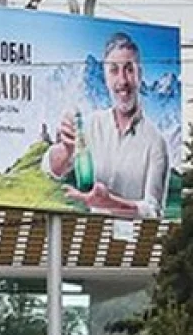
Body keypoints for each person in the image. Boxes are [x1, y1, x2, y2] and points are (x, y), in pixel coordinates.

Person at [42, 32, 171, 219]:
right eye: (114, 70)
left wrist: (110, 203)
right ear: (105, 77)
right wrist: (66, 149)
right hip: (86, 235)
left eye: (129, 69)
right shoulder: (91, 126)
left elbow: (153, 210)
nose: (123, 81)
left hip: (135, 241)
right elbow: (51, 169)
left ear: (140, 75)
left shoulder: (155, 142)